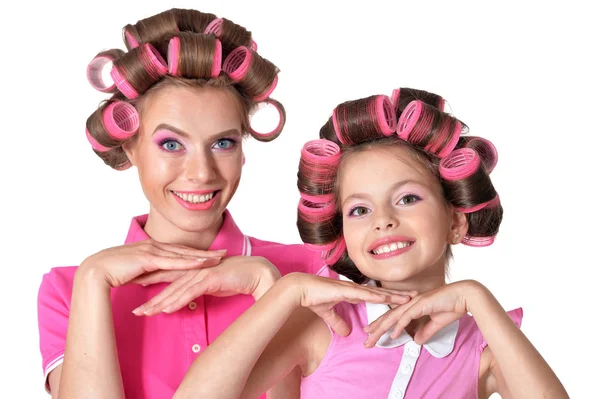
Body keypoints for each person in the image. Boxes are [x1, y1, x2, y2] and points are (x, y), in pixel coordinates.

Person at [167, 88, 570, 398]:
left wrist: (479, 300)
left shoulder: (481, 345)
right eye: (359, 210)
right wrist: (285, 292)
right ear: (342, 232)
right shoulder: (326, 327)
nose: (384, 221)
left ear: (455, 222)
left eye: (407, 199)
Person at [36, 8, 346, 399]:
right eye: (171, 144)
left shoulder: (307, 271)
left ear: (243, 149)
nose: (201, 173)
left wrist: (273, 292)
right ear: (130, 146)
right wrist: (94, 277)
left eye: (222, 143)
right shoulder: (70, 291)